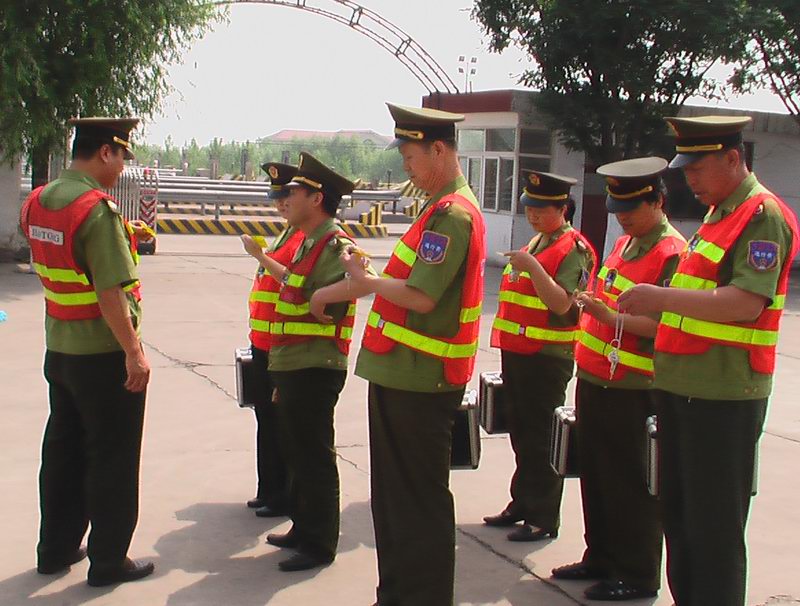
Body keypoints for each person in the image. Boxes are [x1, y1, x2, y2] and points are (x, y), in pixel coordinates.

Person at [310, 103, 487, 606]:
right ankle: (398, 593)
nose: (406, 167)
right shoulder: (436, 209)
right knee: (394, 500)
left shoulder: (452, 215)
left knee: (416, 501)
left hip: (422, 378)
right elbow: (411, 283)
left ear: (439, 150)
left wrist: (367, 282)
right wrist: (371, 277)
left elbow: (423, 297)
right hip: (403, 372)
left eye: (411, 157)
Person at [618, 116, 799, 606]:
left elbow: (745, 303)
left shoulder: (761, 215)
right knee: (681, 522)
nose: (689, 179)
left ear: (733, 159)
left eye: (697, 168)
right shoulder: (719, 215)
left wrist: (659, 298)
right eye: (686, 169)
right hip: (684, 388)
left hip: (722, 394)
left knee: (712, 528)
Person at [19, 117, 155, 587]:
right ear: (104, 152)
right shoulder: (97, 210)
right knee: (113, 456)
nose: (121, 169)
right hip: (102, 354)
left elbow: (62, 254)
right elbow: (109, 292)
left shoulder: (38, 200)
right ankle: (109, 560)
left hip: (60, 349)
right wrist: (133, 352)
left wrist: (122, 234)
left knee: (64, 450)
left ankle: (55, 549)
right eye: (121, 158)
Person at [552, 157, 685, 600]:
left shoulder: (671, 253)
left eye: (631, 209)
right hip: (597, 378)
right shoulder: (625, 244)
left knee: (631, 482)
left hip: (635, 387)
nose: (623, 217)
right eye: (617, 209)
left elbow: (667, 323)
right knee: (597, 474)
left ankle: (636, 572)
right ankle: (601, 556)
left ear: (657, 201)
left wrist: (610, 317)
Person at [483, 171, 596, 542]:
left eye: (541, 209)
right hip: (520, 351)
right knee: (521, 433)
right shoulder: (538, 241)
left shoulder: (573, 248)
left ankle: (543, 516)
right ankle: (522, 503)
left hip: (547, 356)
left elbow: (563, 304)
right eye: (529, 207)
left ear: (562, 208)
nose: (532, 214)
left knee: (541, 436)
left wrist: (532, 268)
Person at [263, 152, 359, 572]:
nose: (286, 198)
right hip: (292, 360)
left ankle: (319, 543)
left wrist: (319, 297)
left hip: (315, 363)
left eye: (294, 192)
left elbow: (348, 290)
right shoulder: (307, 240)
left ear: (317, 198)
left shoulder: (336, 244)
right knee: (297, 450)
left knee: (314, 454)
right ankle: (303, 527)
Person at [240, 162, 304, 518]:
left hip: (282, 344)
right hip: (264, 341)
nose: (280, 205)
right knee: (266, 420)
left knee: (281, 424)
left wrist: (259, 255)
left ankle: (282, 495)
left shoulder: (302, 238)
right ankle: (268, 489)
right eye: (276, 199)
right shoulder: (285, 234)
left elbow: (294, 282)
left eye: (286, 198)